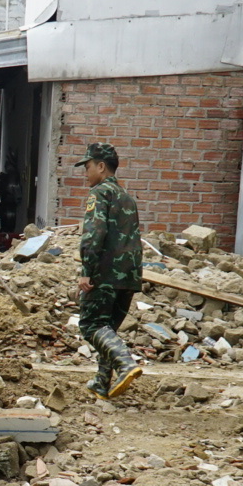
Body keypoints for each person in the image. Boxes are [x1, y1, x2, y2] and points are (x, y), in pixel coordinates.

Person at [73, 142, 145, 398]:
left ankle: (125, 364)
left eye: (88, 166)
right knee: (108, 330)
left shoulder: (99, 193)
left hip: (105, 274)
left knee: (92, 325)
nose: (86, 172)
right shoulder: (127, 197)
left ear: (101, 167)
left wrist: (87, 270)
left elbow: (94, 234)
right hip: (130, 275)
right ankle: (102, 382)